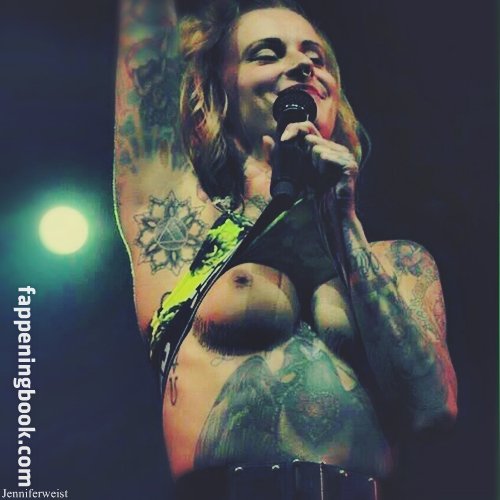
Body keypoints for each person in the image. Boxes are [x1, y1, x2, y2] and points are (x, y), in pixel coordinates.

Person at [114, 0, 458, 498]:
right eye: (267, 53)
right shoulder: (179, 227)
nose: (302, 66)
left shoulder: (399, 261)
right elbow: (146, 49)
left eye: (316, 58)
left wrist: (345, 230)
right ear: (220, 90)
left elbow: (432, 409)